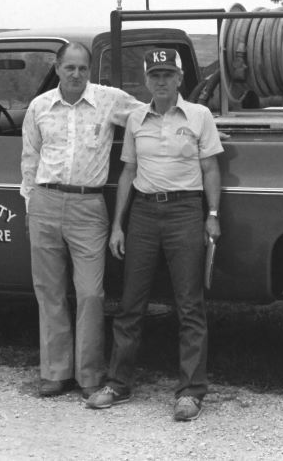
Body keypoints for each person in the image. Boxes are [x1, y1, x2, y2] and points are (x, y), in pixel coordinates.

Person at [86, 47, 223, 422]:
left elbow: (210, 169)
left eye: (167, 74)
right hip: (144, 213)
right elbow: (127, 172)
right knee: (131, 303)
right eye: (154, 75)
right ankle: (118, 383)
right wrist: (118, 225)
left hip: (185, 212)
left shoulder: (200, 116)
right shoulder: (135, 119)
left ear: (180, 79)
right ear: (145, 80)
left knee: (190, 305)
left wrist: (211, 215)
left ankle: (191, 392)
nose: (161, 81)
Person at [20, 41, 144, 398]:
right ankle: (55, 373)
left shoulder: (109, 99)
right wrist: (30, 203)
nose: (76, 74)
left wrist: (201, 126)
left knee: (91, 293)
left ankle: (89, 375)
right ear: (57, 68)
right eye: (69, 67)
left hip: (88, 206)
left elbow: (147, 114)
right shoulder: (39, 106)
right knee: (50, 292)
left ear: (91, 71)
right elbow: (29, 158)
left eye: (83, 68)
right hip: (44, 200)